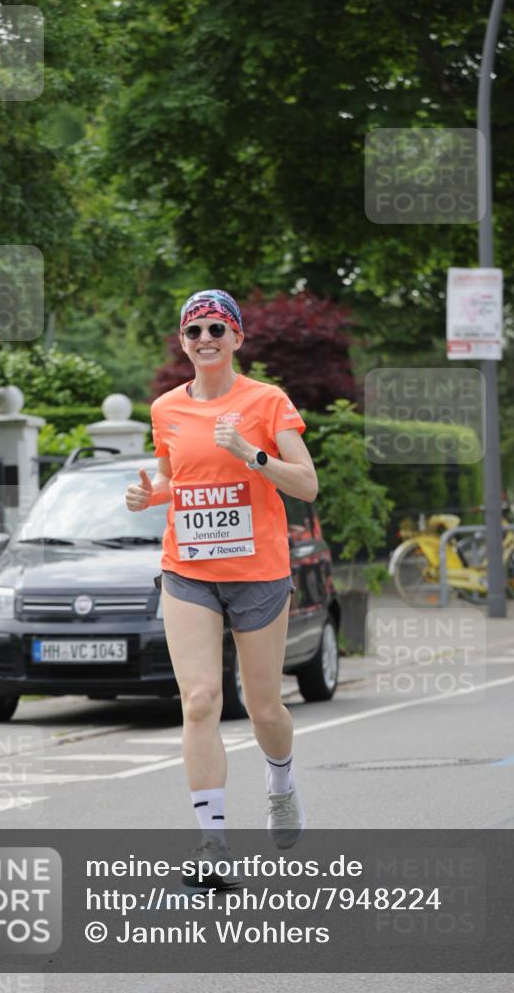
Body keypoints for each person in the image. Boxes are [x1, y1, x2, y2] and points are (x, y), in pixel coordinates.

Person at [125, 288, 319, 885]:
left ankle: (281, 783)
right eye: (194, 332)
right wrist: (147, 494)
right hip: (189, 570)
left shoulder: (267, 401)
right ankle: (212, 842)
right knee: (201, 699)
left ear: (237, 338)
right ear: (182, 343)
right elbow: (174, 479)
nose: (205, 340)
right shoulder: (165, 409)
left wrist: (253, 456)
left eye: (216, 329)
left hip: (259, 572)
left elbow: (307, 485)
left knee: (264, 707)